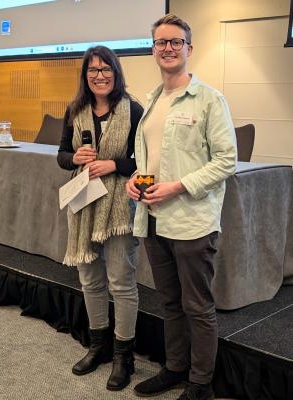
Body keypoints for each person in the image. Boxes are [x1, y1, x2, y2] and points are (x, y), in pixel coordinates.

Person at [126, 14, 237, 400]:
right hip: (154, 220)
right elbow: (150, 159)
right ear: (153, 49)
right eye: (161, 43)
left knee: (198, 306)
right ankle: (175, 368)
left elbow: (226, 160)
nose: (168, 48)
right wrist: (135, 179)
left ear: (190, 49)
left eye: (176, 42)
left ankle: (201, 382)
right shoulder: (153, 100)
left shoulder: (209, 99)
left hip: (192, 223)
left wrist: (177, 187)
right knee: (170, 302)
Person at [57, 45, 143, 391]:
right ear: (85, 76)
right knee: (91, 280)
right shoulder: (75, 109)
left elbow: (148, 162)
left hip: (120, 207)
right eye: (93, 70)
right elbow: (62, 155)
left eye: (106, 69)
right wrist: (74, 156)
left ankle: (124, 356)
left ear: (116, 73)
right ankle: (99, 346)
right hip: (83, 204)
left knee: (121, 282)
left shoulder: (134, 110)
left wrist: (115, 165)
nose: (100, 75)